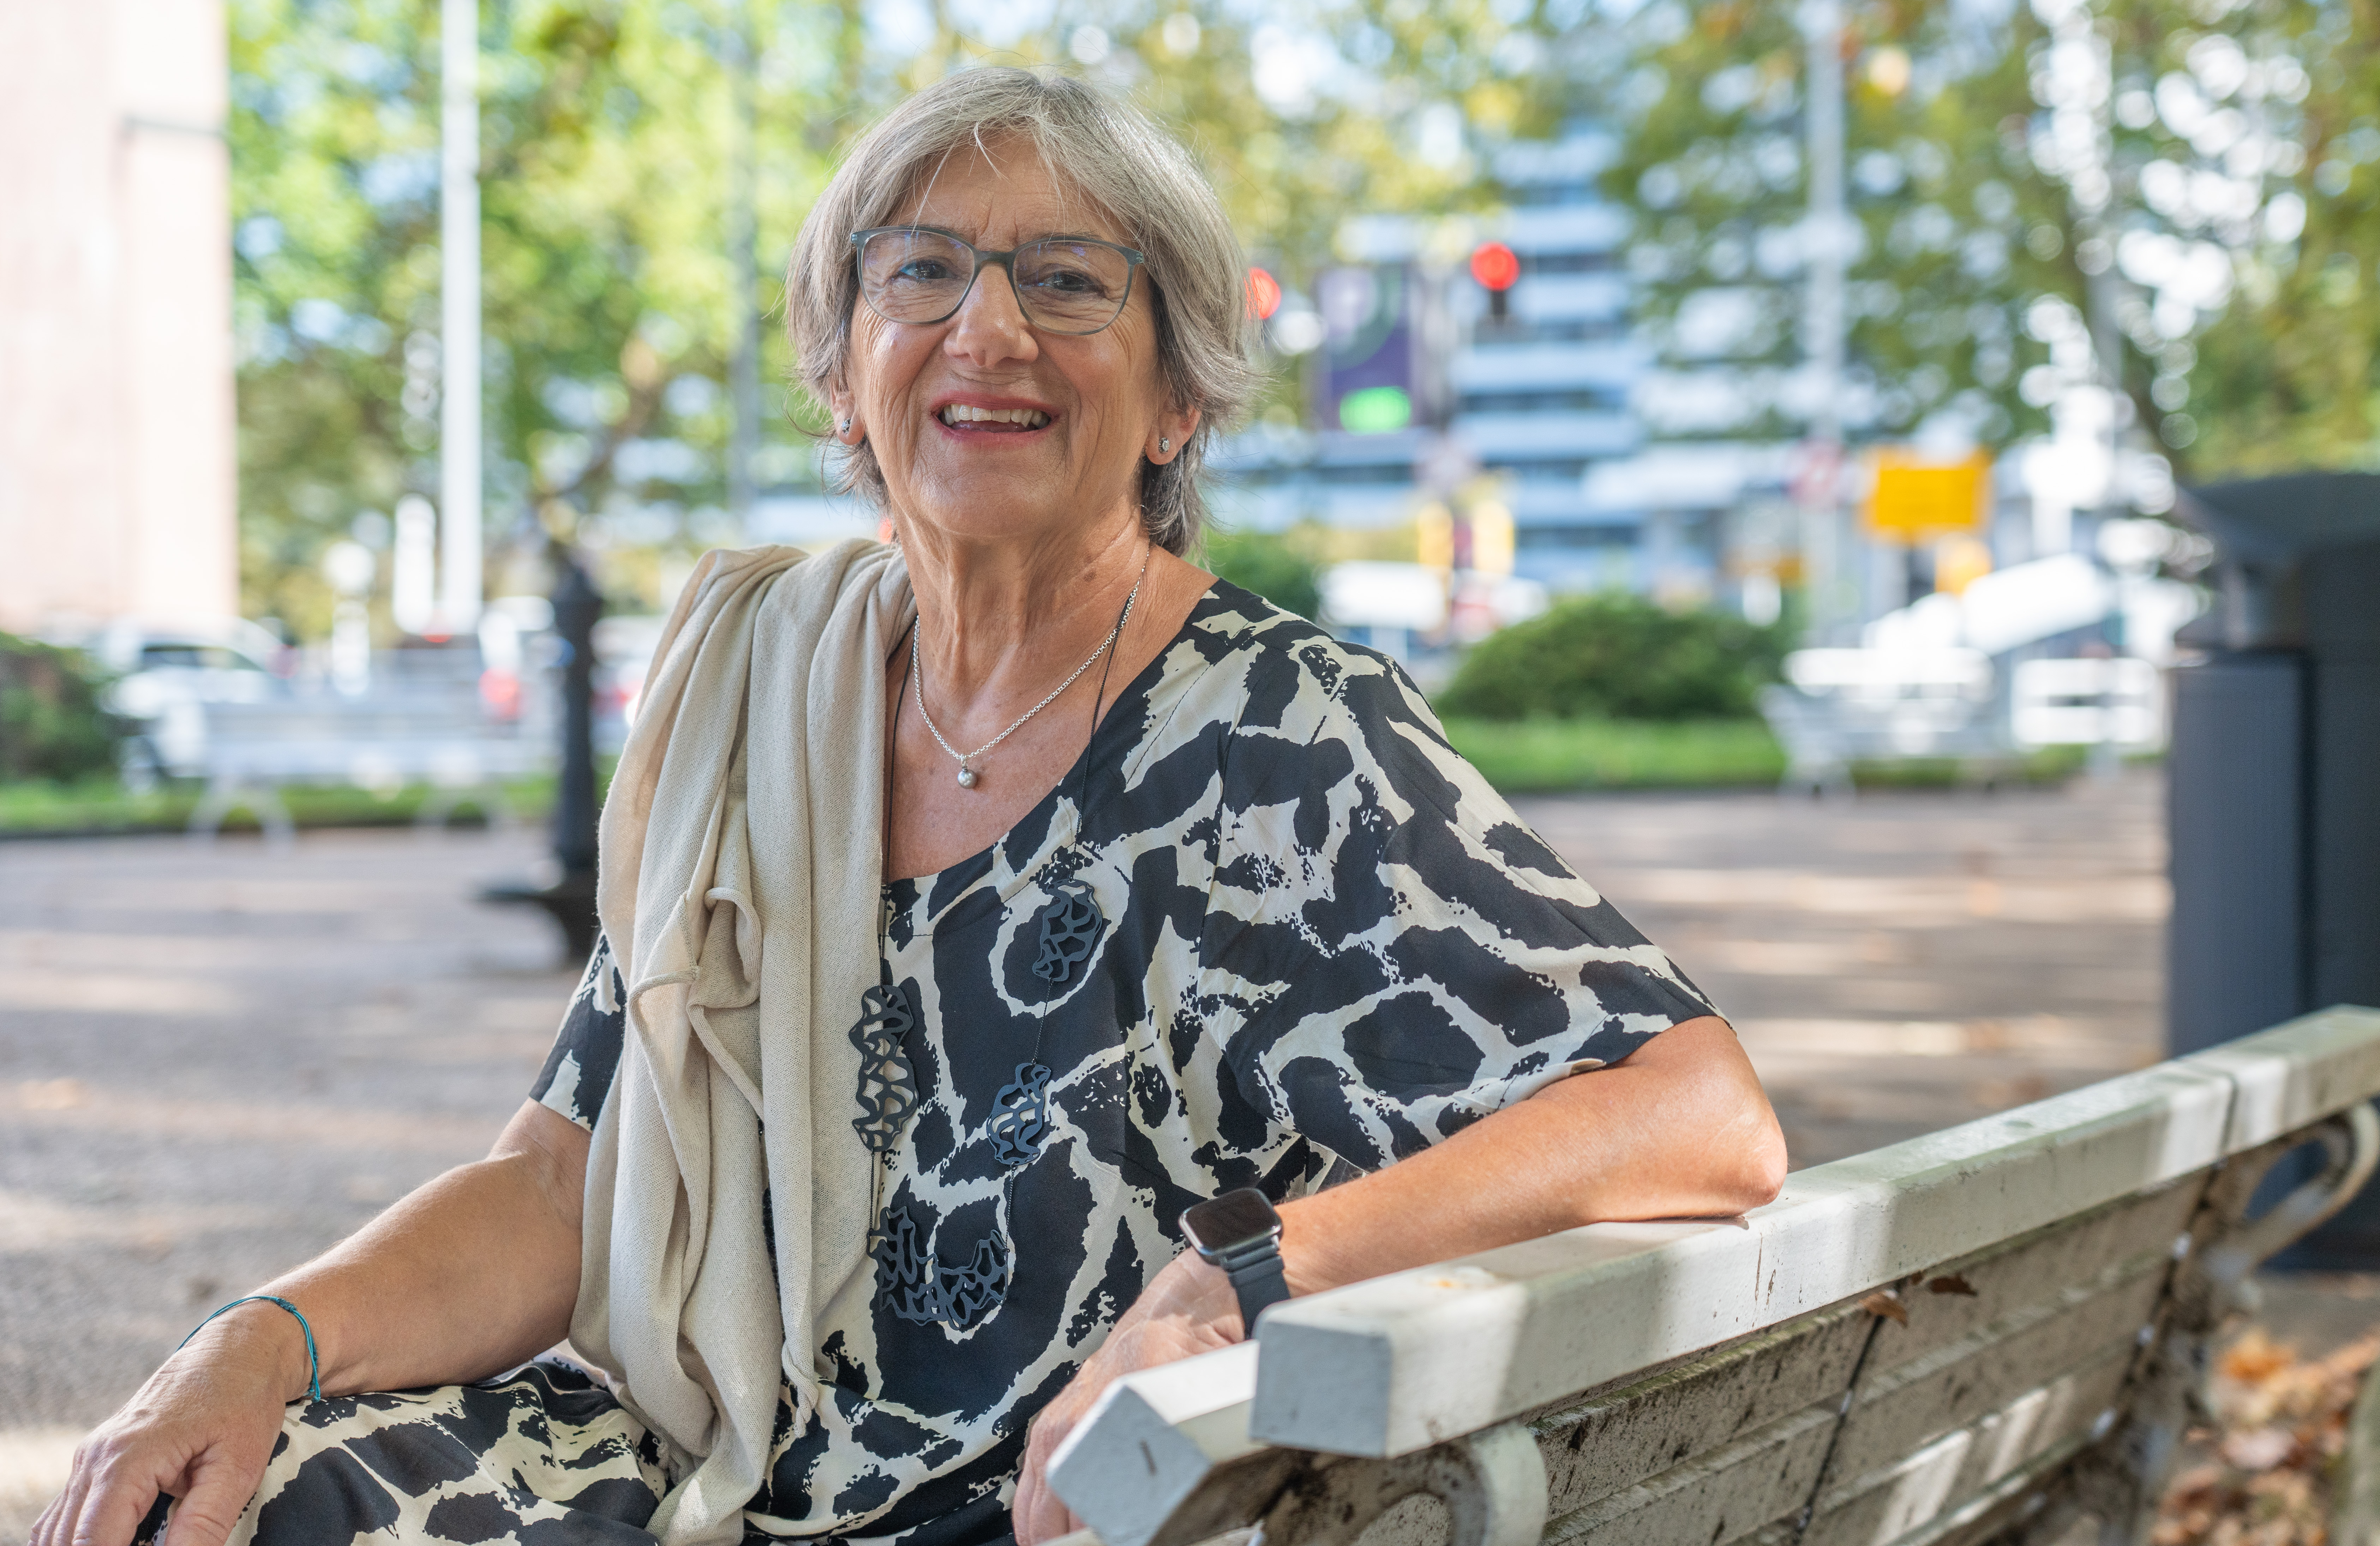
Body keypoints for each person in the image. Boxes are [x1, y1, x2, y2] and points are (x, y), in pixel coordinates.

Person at [35, 66, 1786, 1546]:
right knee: (247, 1492)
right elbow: (564, 1183)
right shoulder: (760, 701)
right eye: (925, 271)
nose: (989, 329)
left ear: (1181, 397)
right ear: (845, 372)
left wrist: (1250, 1278)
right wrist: (256, 1341)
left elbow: (1694, 1108)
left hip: (1039, 1513)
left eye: (1070, 281)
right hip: (712, 1473)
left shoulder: (1282, 739)